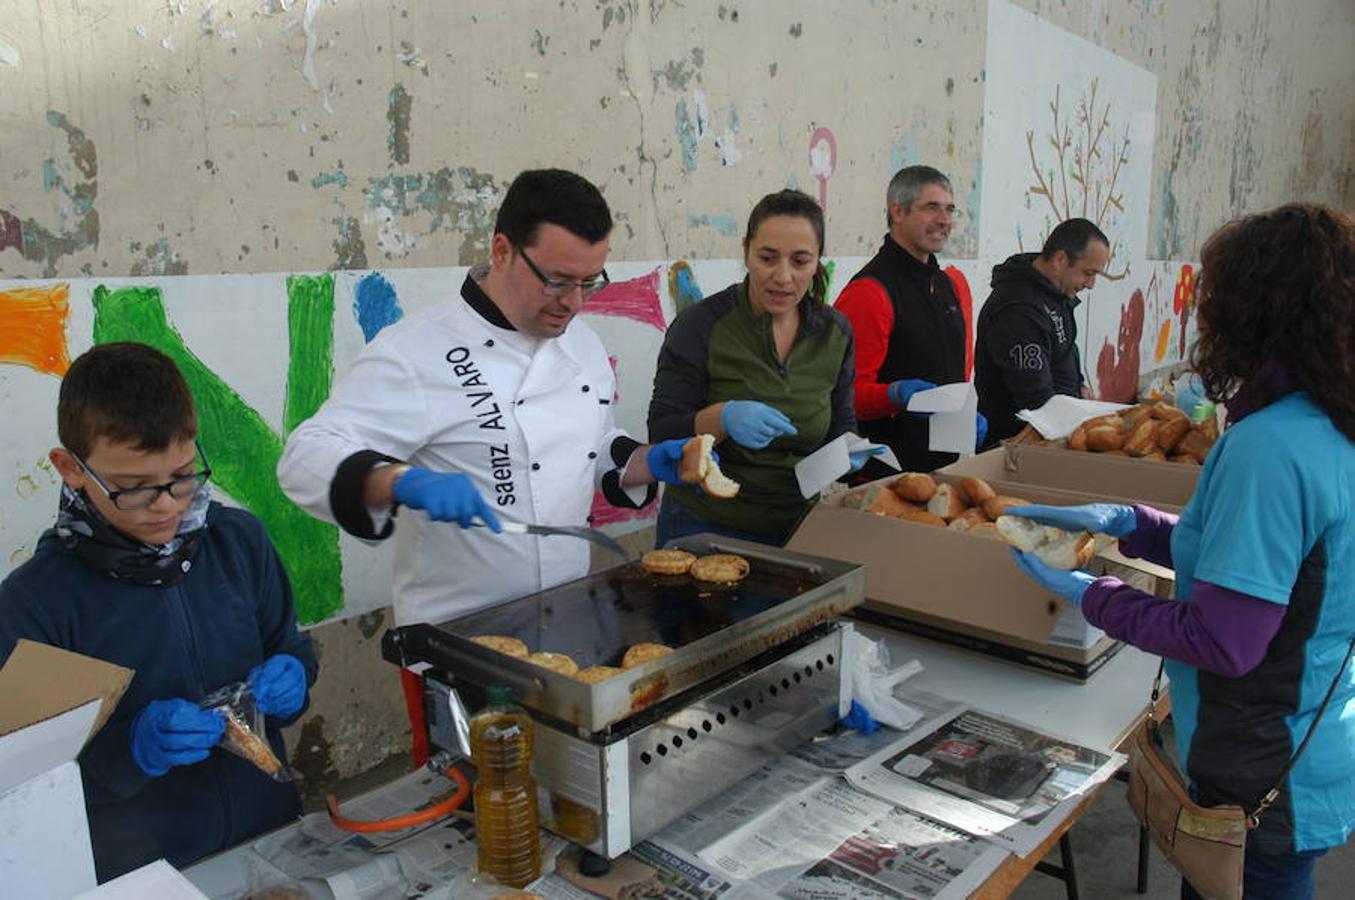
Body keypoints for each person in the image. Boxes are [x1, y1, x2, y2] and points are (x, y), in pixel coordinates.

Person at [277, 169, 695, 761]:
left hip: (572, 625)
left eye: (589, 282)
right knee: (483, 809)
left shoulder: (579, 343)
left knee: (572, 784)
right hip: (460, 644)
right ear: (502, 251)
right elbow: (305, 456)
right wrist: (396, 479)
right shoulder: (415, 350)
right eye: (556, 280)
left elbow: (595, 447)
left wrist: (647, 462)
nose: (573, 303)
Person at [1005, 204, 1355, 900]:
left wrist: (1095, 595)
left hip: (1259, 773)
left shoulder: (1270, 448)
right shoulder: (1326, 420)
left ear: (1256, 310)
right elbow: (1260, 561)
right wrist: (1129, 523)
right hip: (1310, 745)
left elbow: (1225, 640)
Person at [0, 343, 317, 882]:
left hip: (269, 839)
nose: (168, 505)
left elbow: (289, 647)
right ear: (71, 469)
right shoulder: (34, 605)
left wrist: (295, 671)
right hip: (139, 873)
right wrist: (131, 750)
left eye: (182, 474)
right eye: (132, 488)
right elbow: (24, 790)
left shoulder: (239, 543)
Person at [647, 188, 856, 546]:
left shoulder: (834, 332)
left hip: (798, 526)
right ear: (746, 251)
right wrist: (722, 417)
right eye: (768, 258)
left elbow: (842, 422)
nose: (783, 276)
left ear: (818, 260)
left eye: (800, 261)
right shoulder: (701, 326)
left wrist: (853, 452)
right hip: (705, 524)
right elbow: (662, 431)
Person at [836, 165, 986, 474]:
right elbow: (845, 394)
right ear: (898, 212)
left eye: (949, 210)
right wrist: (895, 394)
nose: (944, 220)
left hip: (945, 464)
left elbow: (956, 372)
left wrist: (967, 411)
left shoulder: (949, 285)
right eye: (932, 208)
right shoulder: (870, 292)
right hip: (885, 472)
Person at [974, 218, 1110, 446]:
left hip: (1055, 434)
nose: (1091, 284)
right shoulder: (1018, 309)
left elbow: (1061, 350)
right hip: (1020, 445)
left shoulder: (1054, 294)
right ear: (1060, 259)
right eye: (1088, 273)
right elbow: (1035, 397)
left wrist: (1079, 387)